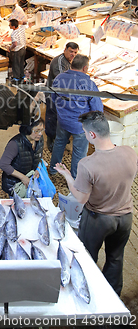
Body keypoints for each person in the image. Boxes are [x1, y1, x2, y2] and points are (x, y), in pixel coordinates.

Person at [55, 111, 138, 296]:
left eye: (85, 132)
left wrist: (68, 176)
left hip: (99, 219)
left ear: (92, 135)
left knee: (87, 256)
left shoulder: (87, 164)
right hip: (125, 218)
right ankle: (113, 296)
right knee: (116, 258)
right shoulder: (130, 152)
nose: (84, 135)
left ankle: (88, 292)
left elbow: (81, 198)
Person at [49, 54, 103, 178]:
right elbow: (97, 109)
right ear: (85, 68)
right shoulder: (88, 84)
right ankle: (74, 178)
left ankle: (53, 169)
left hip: (62, 121)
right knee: (79, 153)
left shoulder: (59, 78)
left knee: (59, 143)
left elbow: (53, 97)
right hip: (81, 126)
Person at [45, 42, 79, 151]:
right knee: (52, 117)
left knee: (61, 117)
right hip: (53, 94)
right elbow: (62, 79)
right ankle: (50, 139)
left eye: (75, 52)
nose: (73, 54)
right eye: (71, 51)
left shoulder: (69, 61)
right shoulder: (59, 61)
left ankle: (60, 137)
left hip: (62, 95)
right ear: (65, 50)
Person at [0, 119, 44, 196]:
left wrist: (38, 168)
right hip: (15, 183)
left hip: (30, 181)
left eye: (42, 130)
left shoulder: (39, 140)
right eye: (36, 131)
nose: (40, 134)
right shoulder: (15, 144)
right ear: (28, 129)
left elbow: (39, 156)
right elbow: (3, 164)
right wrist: (23, 178)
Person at [9, 18, 26, 84]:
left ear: (13, 26)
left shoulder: (13, 34)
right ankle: (22, 75)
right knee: (21, 63)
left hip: (18, 50)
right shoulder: (21, 29)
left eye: (10, 25)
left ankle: (16, 78)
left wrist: (10, 48)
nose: (9, 26)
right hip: (23, 49)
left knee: (16, 64)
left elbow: (15, 44)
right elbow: (25, 22)